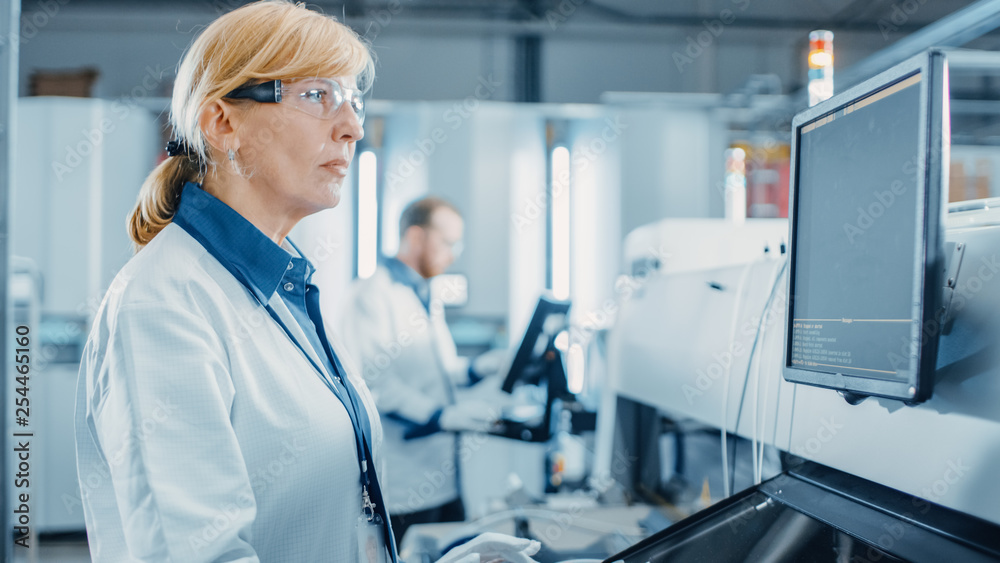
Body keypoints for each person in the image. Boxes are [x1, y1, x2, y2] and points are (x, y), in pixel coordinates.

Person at [73, 2, 538, 562]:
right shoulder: (163, 305)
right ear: (223, 123)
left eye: (352, 100)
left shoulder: (287, 290)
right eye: (318, 96)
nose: (353, 127)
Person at [340, 197, 505, 546]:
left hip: (445, 479)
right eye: (448, 242)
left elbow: (439, 373)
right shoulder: (371, 295)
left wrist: (479, 368)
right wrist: (441, 416)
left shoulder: (425, 293)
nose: (454, 253)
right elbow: (376, 385)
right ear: (416, 238)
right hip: (404, 485)